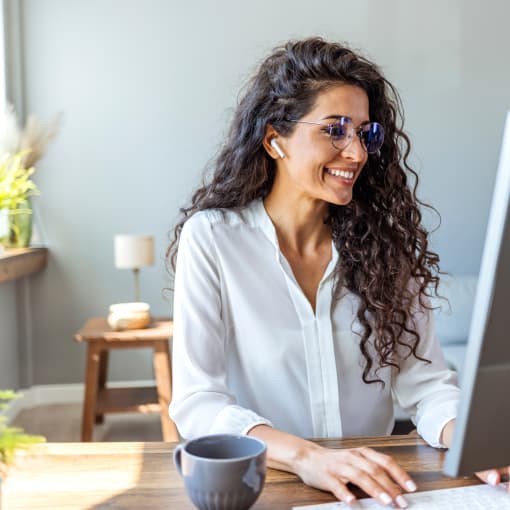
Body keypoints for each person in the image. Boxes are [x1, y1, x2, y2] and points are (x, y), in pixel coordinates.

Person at [167, 38, 508, 508]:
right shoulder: (213, 239)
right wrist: (308, 458)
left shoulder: (383, 247)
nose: (356, 153)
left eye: (365, 134)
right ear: (274, 140)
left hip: (375, 489)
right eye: (334, 130)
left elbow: (427, 386)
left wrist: (471, 441)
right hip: (267, 485)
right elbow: (198, 401)